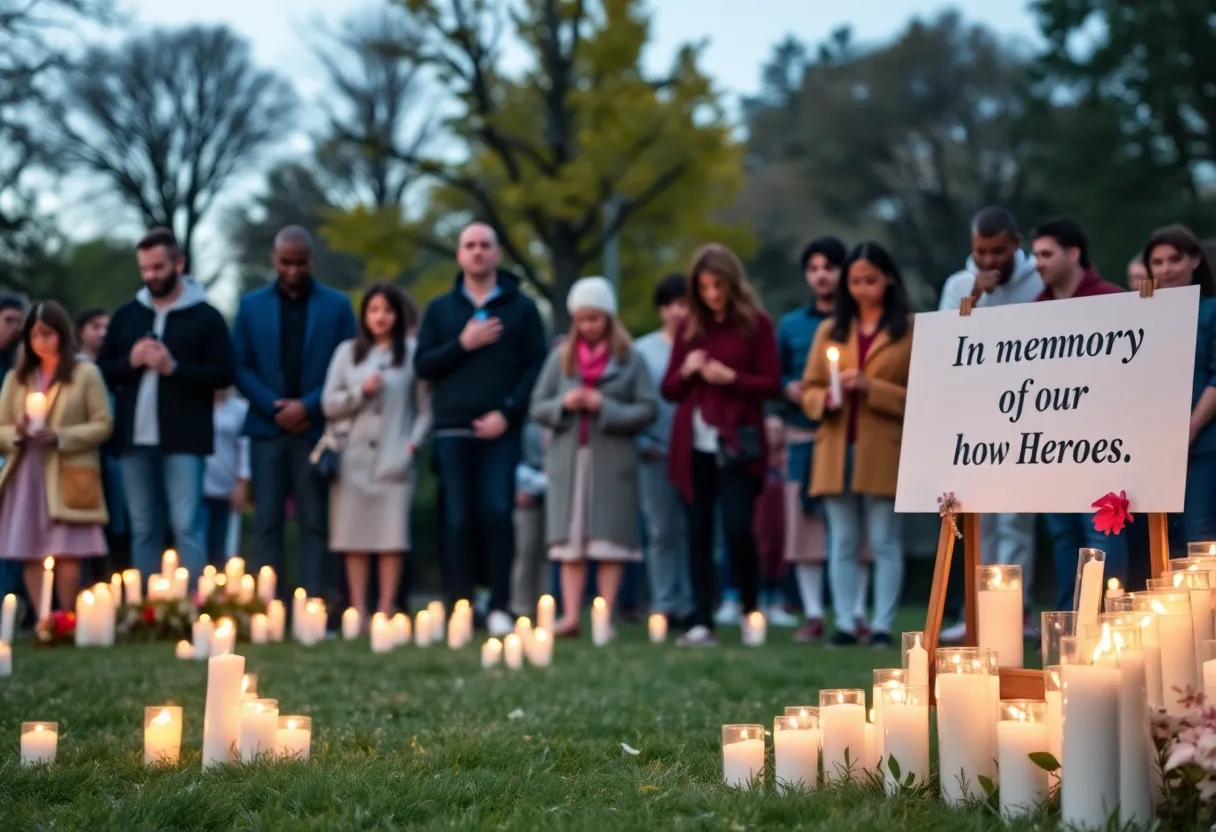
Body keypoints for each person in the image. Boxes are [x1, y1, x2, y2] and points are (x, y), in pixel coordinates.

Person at [414, 222, 548, 637]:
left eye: (484, 245)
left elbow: (536, 369)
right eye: (469, 245)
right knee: (456, 520)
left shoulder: (521, 309)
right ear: (459, 255)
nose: (476, 252)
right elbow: (424, 365)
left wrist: (507, 413)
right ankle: (460, 606)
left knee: (496, 513)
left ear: (497, 253)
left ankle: (500, 605)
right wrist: (463, 344)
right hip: (452, 430)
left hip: (501, 431)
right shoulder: (440, 310)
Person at [661, 244, 782, 647]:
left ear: (732, 282)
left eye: (719, 285)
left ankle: (750, 609)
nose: (713, 294)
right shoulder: (688, 327)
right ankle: (703, 620)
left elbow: (772, 383)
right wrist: (687, 369)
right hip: (694, 442)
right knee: (697, 530)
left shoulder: (756, 324)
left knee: (737, 529)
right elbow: (670, 389)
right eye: (705, 287)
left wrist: (731, 378)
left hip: (738, 442)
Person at [97, 228, 233, 577]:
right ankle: (146, 614)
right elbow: (101, 373)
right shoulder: (128, 315)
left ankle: (192, 608)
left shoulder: (206, 316)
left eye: (158, 267)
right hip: (133, 440)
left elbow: (224, 373)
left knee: (187, 524)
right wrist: (131, 362)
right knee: (142, 526)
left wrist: (174, 368)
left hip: (185, 440)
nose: (151, 276)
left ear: (178, 263)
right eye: (145, 269)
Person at [232, 226, 356, 603]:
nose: (292, 270)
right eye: (286, 262)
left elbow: (348, 363)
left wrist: (309, 405)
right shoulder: (251, 305)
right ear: (274, 259)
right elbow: (240, 366)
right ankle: (266, 606)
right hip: (266, 429)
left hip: (315, 429)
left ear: (311, 261)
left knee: (314, 522)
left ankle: (313, 604)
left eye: (300, 263)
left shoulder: (336, 306)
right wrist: (275, 406)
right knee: (267, 521)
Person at [529, 277, 657, 639]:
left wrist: (607, 406)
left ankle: (605, 616)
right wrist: (563, 404)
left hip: (612, 461)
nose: (588, 327)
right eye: (582, 319)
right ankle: (570, 616)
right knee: (571, 543)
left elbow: (647, 408)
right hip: (569, 460)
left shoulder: (630, 360)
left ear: (609, 319)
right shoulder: (560, 359)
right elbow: (537, 405)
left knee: (609, 541)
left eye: (595, 319)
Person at [937, 207, 1042, 642]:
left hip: (1030, 410)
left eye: (998, 251)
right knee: (979, 518)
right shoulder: (958, 285)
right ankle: (977, 610)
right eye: (980, 251)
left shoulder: (1039, 281)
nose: (988, 260)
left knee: (1016, 517)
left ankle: (1014, 609)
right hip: (978, 416)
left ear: (1017, 243)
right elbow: (944, 344)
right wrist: (973, 300)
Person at [801, 242, 912, 648]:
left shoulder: (910, 330)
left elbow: (922, 396)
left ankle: (882, 624)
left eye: (870, 280)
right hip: (835, 444)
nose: (862, 289)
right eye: (855, 281)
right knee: (842, 540)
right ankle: (846, 622)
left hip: (883, 445)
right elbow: (809, 388)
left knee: (884, 538)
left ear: (888, 279)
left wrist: (871, 387)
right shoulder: (830, 330)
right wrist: (823, 400)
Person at [1029, 218, 1128, 606]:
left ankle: (1107, 621)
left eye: (1046, 253)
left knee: (1101, 534)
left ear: (1074, 254)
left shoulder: (1111, 300)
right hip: (1050, 447)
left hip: (1102, 445)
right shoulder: (1035, 310)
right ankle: (1069, 627)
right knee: (1064, 535)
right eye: (1035, 254)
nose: (1038, 263)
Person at [322, 283, 431, 624]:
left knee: (391, 537)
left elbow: (426, 409)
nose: (380, 317)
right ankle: (357, 609)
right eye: (374, 310)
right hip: (353, 458)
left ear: (398, 315)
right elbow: (329, 403)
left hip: (394, 456)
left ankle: (386, 607)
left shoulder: (413, 353)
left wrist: (410, 445)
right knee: (353, 536)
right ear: (364, 315)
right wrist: (359, 391)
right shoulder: (347, 352)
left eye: (387, 310)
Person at [0, 302, 111, 614]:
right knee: (30, 548)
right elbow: (1, 429)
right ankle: (43, 619)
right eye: (34, 335)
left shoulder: (85, 373)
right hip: (27, 471)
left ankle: (66, 614)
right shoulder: (17, 378)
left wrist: (61, 437)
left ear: (62, 334)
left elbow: (103, 423)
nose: (40, 342)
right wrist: (18, 433)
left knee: (67, 549)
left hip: (66, 470)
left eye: (47, 334)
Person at [777, 236, 844, 640]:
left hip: (844, 433)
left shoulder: (856, 322)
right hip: (802, 432)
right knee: (804, 526)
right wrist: (789, 389)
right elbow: (779, 374)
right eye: (814, 268)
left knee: (848, 528)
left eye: (829, 268)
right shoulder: (791, 325)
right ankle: (814, 612)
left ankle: (851, 613)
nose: (821, 275)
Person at [1142, 225, 1216, 543]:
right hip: (1154, 446)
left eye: (1174, 259)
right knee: (1162, 541)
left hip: (1202, 444)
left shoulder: (1211, 310)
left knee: (1197, 535)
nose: (1166, 269)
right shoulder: (1145, 313)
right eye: (1157, 262)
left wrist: (1190, 427)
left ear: (1195, 259)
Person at [633, 273, 695, 627]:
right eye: (670, 304)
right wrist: (643, 443)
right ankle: (663, 602)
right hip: (654, 454)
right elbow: (636, 401)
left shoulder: (701, 347)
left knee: (693, 530)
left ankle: (690, 602)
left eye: (684, 304)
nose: (677, 312)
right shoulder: (644, 351)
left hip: (693, 452)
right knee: (660, 530)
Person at [0, 292, 29, 603]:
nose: (15, 328)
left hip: (13, 458)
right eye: (9, 321)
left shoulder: (20, 368)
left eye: (20, 323)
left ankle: (8, 601)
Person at [203, 389, 250, 565]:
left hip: (227, 489)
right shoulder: (197, 403)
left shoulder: (239, 409)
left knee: (224, 547)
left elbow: (244, 447)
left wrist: (242, 483)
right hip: (198, 486)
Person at [510, 419, 549, 619]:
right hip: (526, 486)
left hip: (557, 489)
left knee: (550, 552)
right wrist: (521, 485)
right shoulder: (524, 421)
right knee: (526, 548)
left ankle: (545, 607)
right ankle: (521, 607)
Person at [754, 416, 790, 621]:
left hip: (782, 519)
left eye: (777, 430)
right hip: (759, 519)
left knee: (781, 553)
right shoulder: (757, 463)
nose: (772, 435)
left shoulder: (787, 464)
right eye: (768, 430)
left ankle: (777, 601)